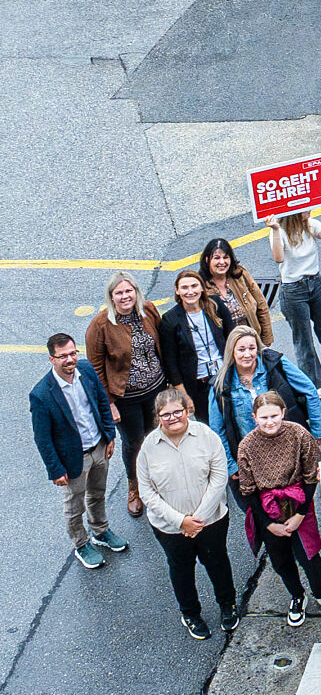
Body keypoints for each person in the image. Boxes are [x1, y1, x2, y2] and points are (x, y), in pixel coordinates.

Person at [238, 392, 321, 625]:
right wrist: (268, 524)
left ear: (283, 413)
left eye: (274, 416)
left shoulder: (299, 435)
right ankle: (297, 595)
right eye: (264, 417)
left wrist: (300, 515)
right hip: (267, 509)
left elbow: (310, 477)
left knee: (309, 555)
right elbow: (248, 491)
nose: (269, 422)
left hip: (299, 502)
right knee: (280, 559)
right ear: (254, 417)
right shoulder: (246, 446)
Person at [137, 388, 237, 639]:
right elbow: (147, 492)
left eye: (177, 412)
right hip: (170, 528)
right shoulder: (149, 447)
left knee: (217, 563)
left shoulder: (207, 436)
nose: (172, 418)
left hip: (211, 521)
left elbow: (218, 477)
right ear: (157, 417)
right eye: (165, 414)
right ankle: (190, 613)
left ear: (187, 411)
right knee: (181, 569)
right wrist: (181, 521)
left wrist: (198, 520)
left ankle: (228, 606)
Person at [31, 333, 125, 569]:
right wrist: (56, 470)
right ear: (51, 359)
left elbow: (102, 402)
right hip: (74, 459)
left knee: (97, 493)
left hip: (99, 447)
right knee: (74, 506)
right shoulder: (41, 394)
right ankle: (81, 544)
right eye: (62, 356)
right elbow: (43, 438)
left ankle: (100, 531)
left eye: (73, 353)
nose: (69, 359)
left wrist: (109, 435)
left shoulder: (87, 370)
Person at [208, 327, 321, 500]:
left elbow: (309, 389)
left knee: (299, 502)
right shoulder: (220, 384)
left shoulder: (275, 363)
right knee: (265, 511)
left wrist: (318, 430)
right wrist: (231, 464)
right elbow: (217, 429)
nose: (247, 354)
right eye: (241, 350)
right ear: (231, 351)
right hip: (254, 460)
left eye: (252, 348)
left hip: (289, 451)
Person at [85, 271, 165, 518]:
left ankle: (159, 481)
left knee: (159, 436)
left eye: (128, 291)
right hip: (126, 397)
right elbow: (95, 366)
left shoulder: (148, 310)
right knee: (134, 443)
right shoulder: (100, 325)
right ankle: (135, 487)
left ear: (136, 292)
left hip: (157, 389)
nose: (124, 296)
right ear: (111, 297)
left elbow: (162, 343)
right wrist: (108, 403)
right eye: (119, 292)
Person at [267, 199, 321, 392]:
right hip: (293, 289)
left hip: (315, 282)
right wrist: (275, 229)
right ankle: (315, 386)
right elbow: (278, 258)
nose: (309, 209)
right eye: (304, 208)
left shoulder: (311, 224)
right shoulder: (280, 231)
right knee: (304, 341)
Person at [159, 270, 233, 426]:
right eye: (184, 288)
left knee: (234, 421)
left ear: (202, 288)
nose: (190, 292)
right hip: (199, 386)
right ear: (177, 291)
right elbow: (170, 363)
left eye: (194, 286)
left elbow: (232, 337)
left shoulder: (215, 305)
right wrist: (185, 396)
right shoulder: (170, 319)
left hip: (225, 377)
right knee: (211, 427)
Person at [200, 238, 274, 346]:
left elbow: (262, 306)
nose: (222, 262)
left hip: (253, 341)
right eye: (216, 258)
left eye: (226, 257)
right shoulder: (201, 286)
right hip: (225, 348)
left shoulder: (240, 274)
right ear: (207, 260)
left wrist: (266, 341)